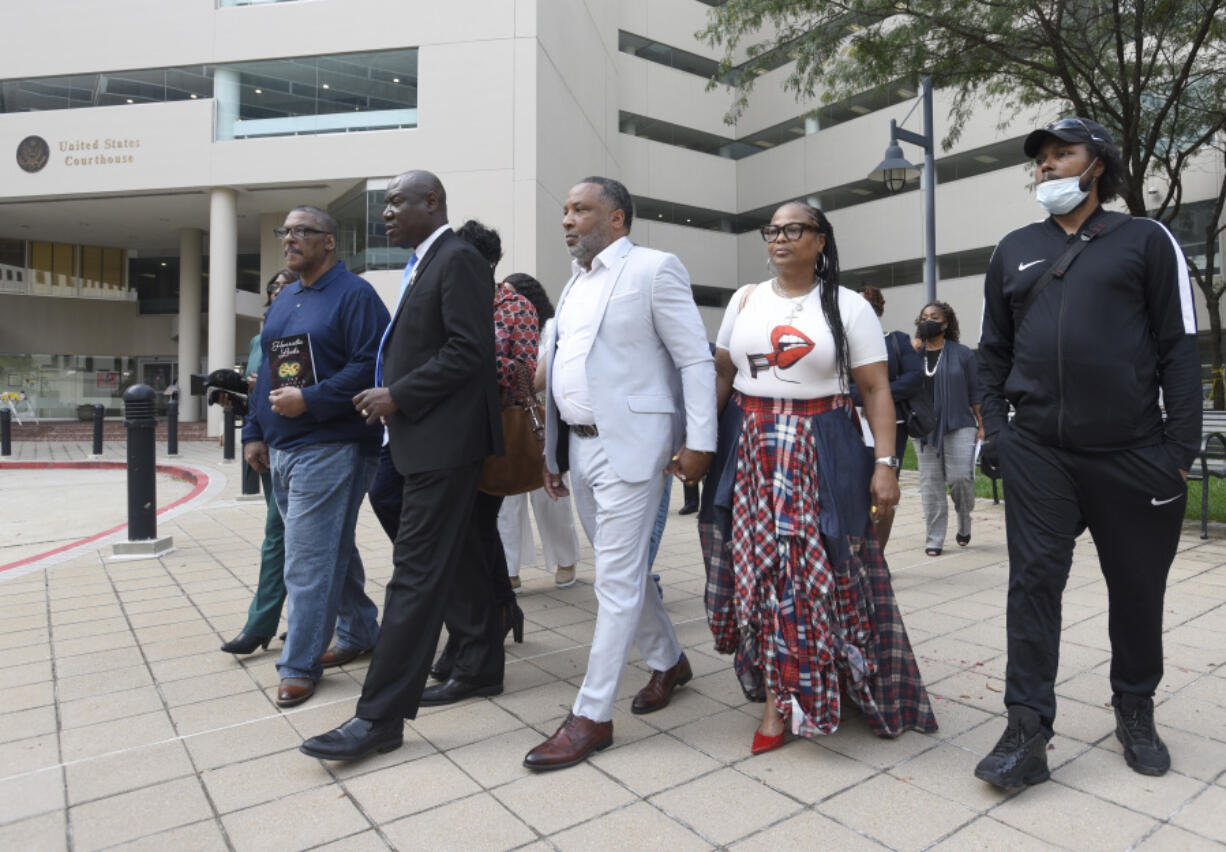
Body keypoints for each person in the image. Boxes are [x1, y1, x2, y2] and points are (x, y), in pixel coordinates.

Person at [974, 117, 1200, 789]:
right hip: (1039, 452)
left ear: (1096, 163)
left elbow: (1178, 349)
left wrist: (1178, 452)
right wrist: (1000, 434)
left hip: (1134, 452)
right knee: (1034, 583)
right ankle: (1026, 729)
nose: (1046, 166)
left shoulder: (1144, 239)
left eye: (1061, 154)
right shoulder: (1015, 248)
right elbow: (992, 353)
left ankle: (1134, 706)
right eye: (1040, 159)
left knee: (1136, 589)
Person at [702, 201, 937, 754]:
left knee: (814, 572)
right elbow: (721, 373)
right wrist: (698, 443)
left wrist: (886, 466)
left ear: (820, 240)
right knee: (759, 569)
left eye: (794, 230)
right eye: (772, 230)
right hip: (751, 443)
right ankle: (779, 688)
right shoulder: (745, 300)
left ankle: (798, 695)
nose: (779, 239)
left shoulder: (849, 306)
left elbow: (877, 390)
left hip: (821, 444)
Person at [300, 170, 501, 761]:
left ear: (431, 203)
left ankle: (379, 718)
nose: (386, 213)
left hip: (444, 443)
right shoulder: (425, 260)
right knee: (464, 555)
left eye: (396, 202)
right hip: (422, 437)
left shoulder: (457, 257)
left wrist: (398, 395)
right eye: (384, 203)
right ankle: (482, 664)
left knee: (412, 577)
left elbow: (470, 350)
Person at [522, 176, 716, 771]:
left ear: (618, 219)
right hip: (580, 450)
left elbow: (693, 357)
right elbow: (564, 372)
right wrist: (553, 453)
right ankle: (669, 661)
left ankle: (591, 715)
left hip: (635, 446)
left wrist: (700, 443)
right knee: (622, 570)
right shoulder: (574, 285)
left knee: (615, 578)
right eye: (565, 211)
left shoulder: (654, 269)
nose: (567, 220)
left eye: (580, 209)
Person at [242, 207, 389, 708]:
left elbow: (374, 365)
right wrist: (255, 430)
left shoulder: (356, 296)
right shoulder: (286, 299)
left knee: (307, 559)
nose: (290, 240)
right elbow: (267, 374)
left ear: (329, 242)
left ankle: (299, 663)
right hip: (282, 447)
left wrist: (313, 398)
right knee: (330, 549)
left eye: (302, 231)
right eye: (285, 231)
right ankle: (359, 630)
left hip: (334, 446)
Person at [422, 224, 536, 698]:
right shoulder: (447, 297)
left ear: (484, 264)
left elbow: (525, 374)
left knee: (474, 532)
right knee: (472, 536)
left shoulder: (516, 306)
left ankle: (478, 637)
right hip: (447, 432)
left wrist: (470, 356)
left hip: (491, 433)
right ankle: (495, 616)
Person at [221, 268, 294, 655]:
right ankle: (311, 619)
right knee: (286, 536)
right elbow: (256, 388)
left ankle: (263, 623)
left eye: (286, 285)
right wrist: (242, 405)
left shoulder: (311, 325)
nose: (278, 292)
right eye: (272, 288)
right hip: (267, 441)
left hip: (303, 441)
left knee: (282, 536)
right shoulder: (259, 337)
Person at [495, 272, 581, 593]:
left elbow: (544, 372)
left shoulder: (550, 327)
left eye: (512, 294)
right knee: (507, 499)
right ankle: (509, 568)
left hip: (544, 420)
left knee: (550, 495)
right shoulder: (500, 324)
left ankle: (566, 560)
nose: (507, 301)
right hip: (506, 419)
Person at [849, 285, 922, 551]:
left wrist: (877, 393)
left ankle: (876, 558)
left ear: (877, 310)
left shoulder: (897, 340)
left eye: (866, 305)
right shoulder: (839, 344)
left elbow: (914, 378)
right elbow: (837, 385)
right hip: (850, 425)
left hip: (891, 427)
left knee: (883, 492)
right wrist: (870, 392)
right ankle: (853, 553)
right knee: (854, 489)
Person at [910, 301, 983, 556]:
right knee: (931, 485)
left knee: (960, 478)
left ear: (946, 323)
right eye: (924, 316)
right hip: (923, 428)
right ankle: (934, 538)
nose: (928, 320)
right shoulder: (913, 356)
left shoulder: (963, 353)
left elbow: (976, 392)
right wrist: (910, 351)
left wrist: (982, 425)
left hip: (959, 423)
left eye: (934, 316)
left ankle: (964, 519)